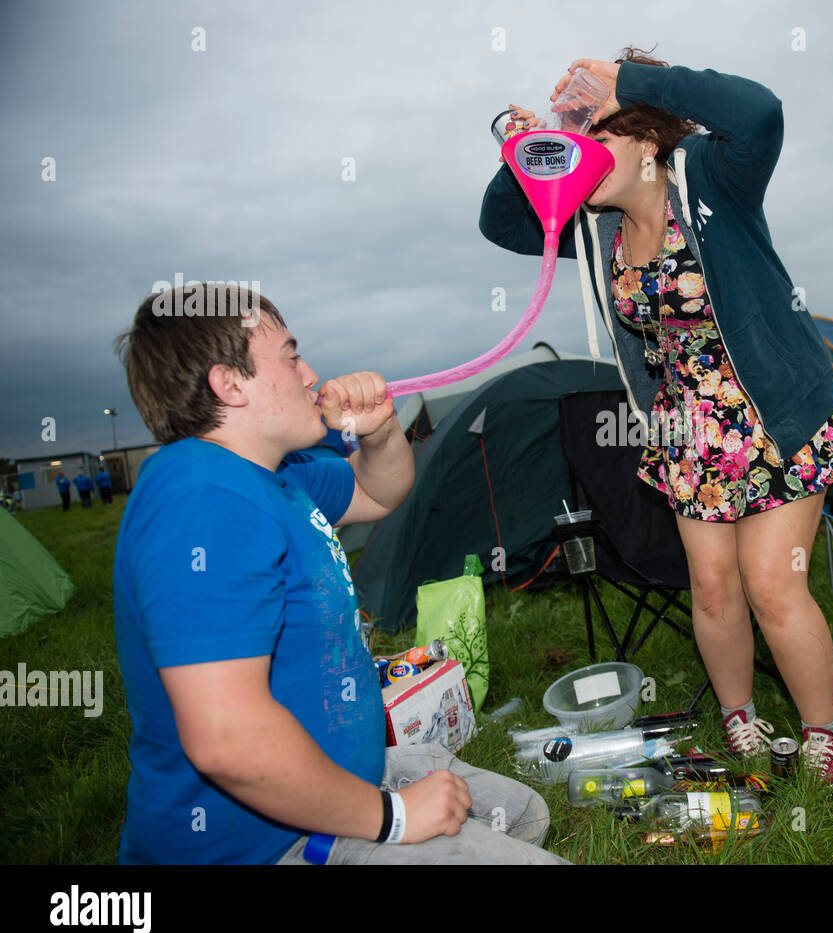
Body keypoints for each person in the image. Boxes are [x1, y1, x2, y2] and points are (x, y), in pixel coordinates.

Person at [480, 50, 833, 780]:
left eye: (598, 132)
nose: (581, 151)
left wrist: (630, 82)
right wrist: (521, 152)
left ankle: (823, 731)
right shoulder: (594, 228)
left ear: (648, 139)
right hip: (690, 428)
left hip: (775, 413)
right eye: (574, 138)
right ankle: (739, 720)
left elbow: (761, 112)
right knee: (713, 589)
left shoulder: (714, 178)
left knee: (774, 584)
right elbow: (504, 225)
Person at [113, 283, 566, 865]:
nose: (310, 375)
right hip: (263, 843)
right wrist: (396, 818)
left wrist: (378, 433)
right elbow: (227, 741)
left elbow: (380, 491)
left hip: (332, 782)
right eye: (291, 355)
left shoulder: (279, 474)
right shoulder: (203, 497)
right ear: (229, 383)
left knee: (524, 813)